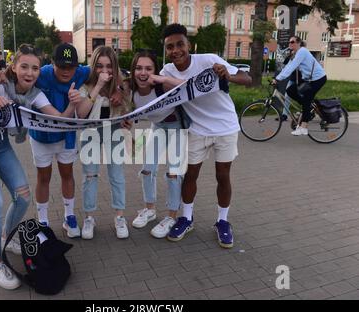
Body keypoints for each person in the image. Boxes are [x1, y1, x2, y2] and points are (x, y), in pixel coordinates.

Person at [0, 44, 76, 290]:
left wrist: (72, 105)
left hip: (0, 144)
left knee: (23, 196)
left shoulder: (36, 94)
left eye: (35, 68)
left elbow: (57, 119)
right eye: (24, 67)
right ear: (14, 67)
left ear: (40, 71)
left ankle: (7, 238)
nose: (30, 72)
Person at [0, 43, 123, 239]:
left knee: (67, 175)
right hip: (41, 136)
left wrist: (118, 89)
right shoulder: (41, 73)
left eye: (70, 67)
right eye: (61, 66)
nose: (66, 71)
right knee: (44, 177)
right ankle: (43, 219)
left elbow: (111, 72)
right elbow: (12, 74)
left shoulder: (83, 72)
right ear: (52, 64)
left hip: (65, 137)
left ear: (77, 66)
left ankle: (69, 216)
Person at [160, 24, 252, 247]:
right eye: (170, 47)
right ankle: (187, 217)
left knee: (223, 175)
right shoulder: (166, 72)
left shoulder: (209, 60)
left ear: (188, 45)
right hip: (197, 130)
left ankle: (222, 222)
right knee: (190, 175)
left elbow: (247, 78)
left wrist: (227, 75)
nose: (176, 50)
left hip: (225, 127)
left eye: (180, 44)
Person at [75, 46, 132, 240]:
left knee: (117, 174)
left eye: (108, 66)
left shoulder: (122, 86)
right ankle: (89, 217)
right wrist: (98, 86)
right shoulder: (86, 85)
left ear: (115, 67)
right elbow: (81, 114)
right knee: (90, 175)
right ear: (93, 66)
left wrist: (124, 109)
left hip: (113, 129)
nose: (104, 71)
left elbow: (129, 113)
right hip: (90, 132)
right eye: (99, 66)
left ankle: (119, 217)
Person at [129, 50, 186, 239]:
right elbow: (124, 112)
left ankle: (171, 216)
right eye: (138, 68)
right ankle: (149, 209)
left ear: (155, 70)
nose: (143, 72)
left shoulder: (161, 84)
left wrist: (163, 79)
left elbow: (188, 87)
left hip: (176, 125)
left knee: (173, 173)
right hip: (158, 126)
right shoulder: (130, 89)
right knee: (147, 169)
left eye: (148, 68)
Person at [273, 36, 327, 136]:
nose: (290, 44)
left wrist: (278, 79)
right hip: (309, 80)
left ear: (298, 43)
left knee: (307, 99)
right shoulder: (295, 54)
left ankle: (304, 127)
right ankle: (308, 108)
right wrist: (277, 77)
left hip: (318, 79)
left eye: (292, 42)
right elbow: (288, 67)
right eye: (289, 42)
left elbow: (292, 67)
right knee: (290, 90)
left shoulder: (302, 51)